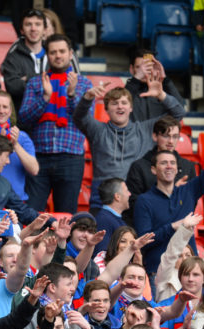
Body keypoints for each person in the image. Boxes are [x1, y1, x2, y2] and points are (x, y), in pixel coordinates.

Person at [134, 111, 204, 277]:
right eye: (163, 163)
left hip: (189, 273)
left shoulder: (188, 191)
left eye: (172, 163)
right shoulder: (144, 201)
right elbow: (144, 241)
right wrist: (173, 226)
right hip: (158, 273)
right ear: (153, 169)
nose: (169, 166)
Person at [74, 79, 187, 210]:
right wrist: (87, 98)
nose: (120, 106)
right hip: (102, 199)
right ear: (106, 109)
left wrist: (162, 95)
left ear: (131, 108)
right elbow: (79, 117)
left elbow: (179, 113)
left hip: (135, 197)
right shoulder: (97, 130)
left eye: (124, 103)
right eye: (114, 103)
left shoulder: (145, 129)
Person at [18, 34, 92, 214]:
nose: (58, 56)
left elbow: (86, 122)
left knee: (66, 216)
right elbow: (24, 119)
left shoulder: (83, 83)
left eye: (62, 51)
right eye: (53, 52)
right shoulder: (36, 82)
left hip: (71, 157)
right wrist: (45, 98)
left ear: (70, 53)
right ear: (47, 55)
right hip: (39, 157)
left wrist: (73, 95)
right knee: (31, 214)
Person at [124, 116, 197, 221]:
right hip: (149, 227)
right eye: (166, 136)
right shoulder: (139, 166)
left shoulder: (188, 167)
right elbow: (133, 204)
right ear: (155, 136)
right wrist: (168, 194)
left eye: (175, 136)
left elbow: (192, 202)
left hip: (179, 226)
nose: (171, 141)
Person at [1, 9, 50, 111]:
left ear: (45, 30)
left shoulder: (53, 54)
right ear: (22, 30)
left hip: (50, 118)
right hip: (23, 119)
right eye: (28, 24)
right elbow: (13, 87)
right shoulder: (13, 56)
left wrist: (27, 78)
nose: (33, 28)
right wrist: (44, 79)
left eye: (37, 24)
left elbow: (61, 84)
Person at [124, 49, 186, 123]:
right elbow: (122, 106)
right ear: (131, 69)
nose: (144, 71)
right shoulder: (129, 89)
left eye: (148, 67)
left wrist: (165, 79)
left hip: (159, 133)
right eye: (139, 68)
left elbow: (180, 110)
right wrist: (136, 79)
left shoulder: (164, 89)